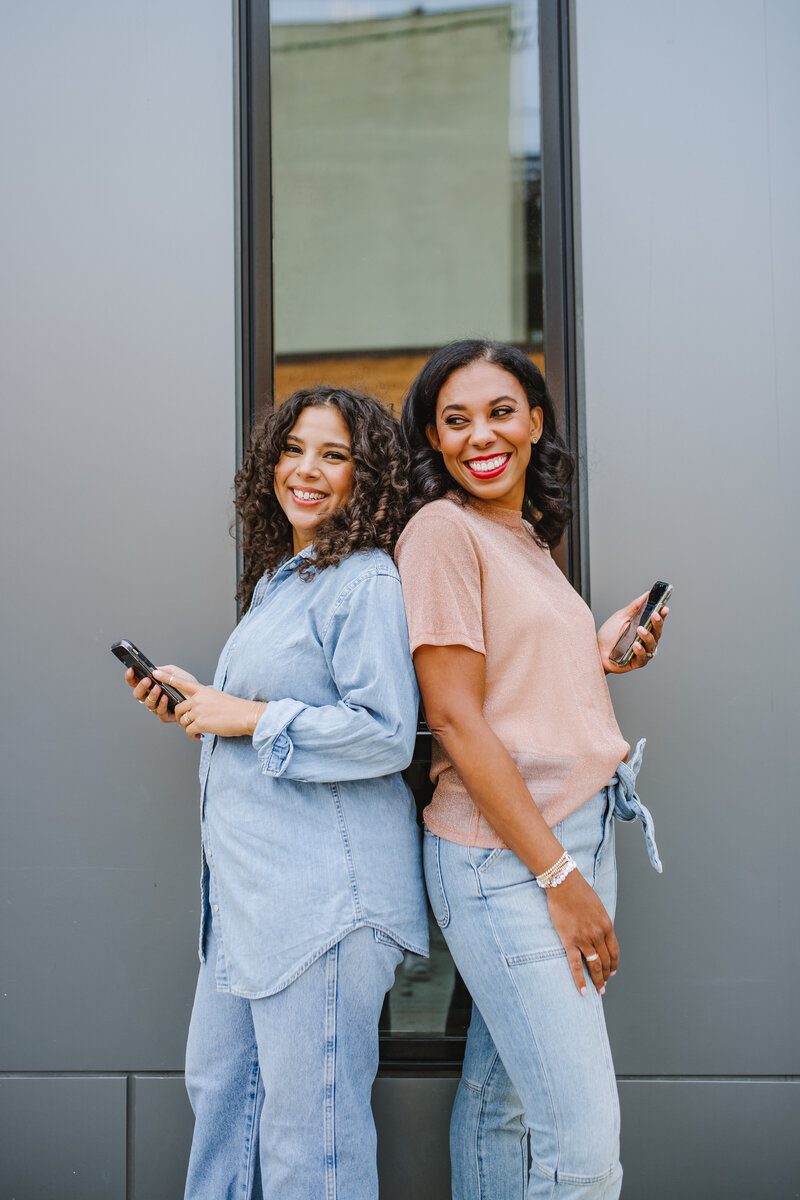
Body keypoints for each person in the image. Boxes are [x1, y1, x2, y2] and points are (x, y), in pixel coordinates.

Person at [124, 386, 428, 1200]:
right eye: (294, 449)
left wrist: (248, 713)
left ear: (368, 480)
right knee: (221, 1103)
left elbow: (385, 732)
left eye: (335, 456)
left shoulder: (365, 583)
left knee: (309, 1145)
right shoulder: (282, 582)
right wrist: (201, 700)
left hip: (323, 905)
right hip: (248, 904)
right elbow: (256, 720)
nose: (307, 470)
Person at [395, 340, 666, 1200]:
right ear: (434, 441)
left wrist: (598, 655)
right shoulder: (441, 531)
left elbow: (509, 687)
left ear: (536, 420)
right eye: (456, 419)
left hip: (563, 834)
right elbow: (454, 718)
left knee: (501, 1097)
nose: (482, 434)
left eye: (501, 411)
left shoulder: (521, 536)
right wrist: (558, 875)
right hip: (510, 857)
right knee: (582, 1148)